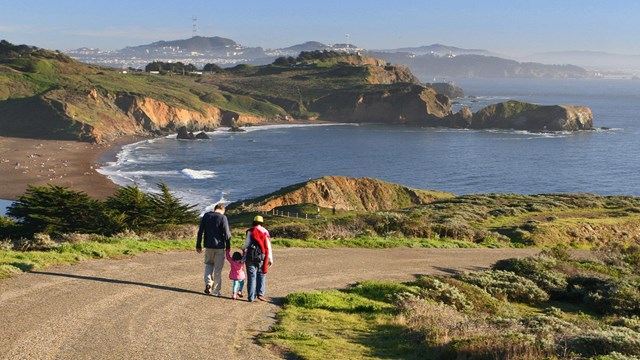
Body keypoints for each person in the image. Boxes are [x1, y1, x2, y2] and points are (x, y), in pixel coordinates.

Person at [196, 203, 231, 296]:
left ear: (215, 208)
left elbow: (200, 231)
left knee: (208, 264)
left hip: (208, 246)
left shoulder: (206, 216)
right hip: (219, 247)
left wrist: (198, 244)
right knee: (218, 270)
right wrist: (228, 247)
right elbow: (227, 234)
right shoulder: (223, 218)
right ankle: (216, 291)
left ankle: (208, 283)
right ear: (222, 210)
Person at [242, 215, 273, 302]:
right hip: (261, 257)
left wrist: (242, 247)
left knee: (252, 276)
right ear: (262, 222)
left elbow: (247, 244)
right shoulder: (265, 231)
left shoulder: (250, 231)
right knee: (261, 274)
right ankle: (260, 294)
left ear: (254, 222)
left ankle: (251, 297)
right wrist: (270, 258)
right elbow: (268, 246)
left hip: (250, 257)